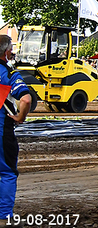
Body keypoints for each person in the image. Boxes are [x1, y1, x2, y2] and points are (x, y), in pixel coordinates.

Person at [0, 35, 31, 224]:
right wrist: (21, 116)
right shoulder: (9, 74)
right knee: (7, 173)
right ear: (7, 52)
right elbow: (26, 99)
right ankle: (4, 217)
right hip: (2, 130)